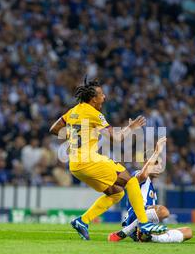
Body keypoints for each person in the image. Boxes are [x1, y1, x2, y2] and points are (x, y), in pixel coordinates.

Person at [49, 78, 167, 240]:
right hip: (88, 160)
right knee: (131, 181)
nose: (104, 97)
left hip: (75, 166)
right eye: (101, 94)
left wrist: (74, 136)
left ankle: (82, 221)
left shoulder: (73, 111)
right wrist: (131, 127)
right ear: (93, 99)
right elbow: (116, 138)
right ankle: (144, 223)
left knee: (116, 193)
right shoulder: (95, 114)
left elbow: (54, 129)